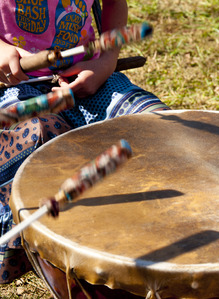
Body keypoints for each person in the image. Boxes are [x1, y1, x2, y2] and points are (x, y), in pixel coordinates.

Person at [0, 0, 169, 283]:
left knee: (158, 130)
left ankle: (153, 243)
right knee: (41, 145)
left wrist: (106, 60)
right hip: (11, 87)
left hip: (90, 76)